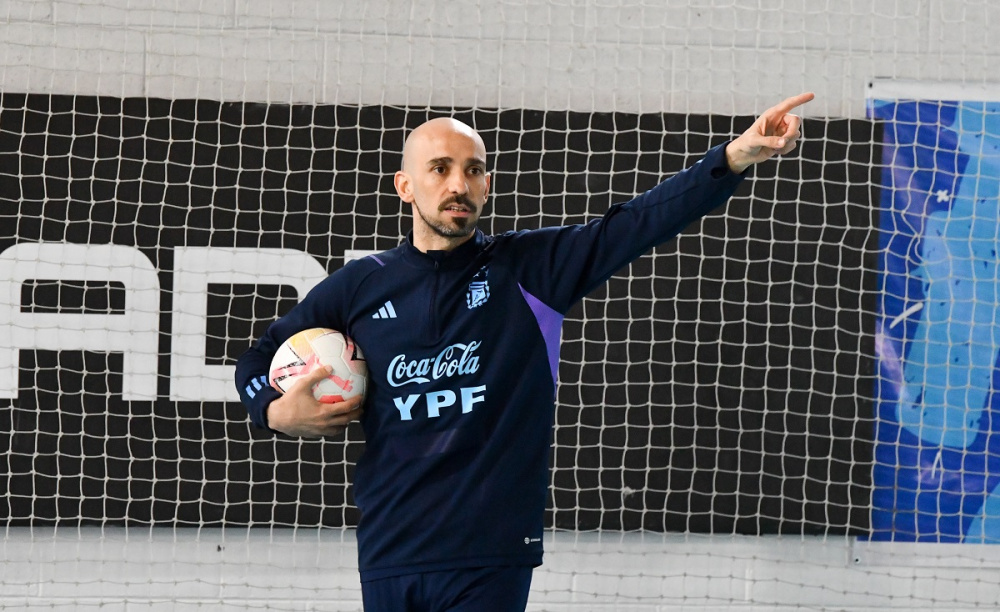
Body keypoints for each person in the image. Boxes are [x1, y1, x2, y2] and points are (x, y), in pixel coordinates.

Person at [235, 92, 814, 611]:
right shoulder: (362, 283)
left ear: (486, 183)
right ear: (406, 185)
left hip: (491, 553)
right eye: (439, 169)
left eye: (473, 170)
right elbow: (255, 361)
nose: (458, 184)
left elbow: (638, 223)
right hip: (390, 550)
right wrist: (275, 410)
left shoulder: (531, 268)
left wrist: (735, 156)